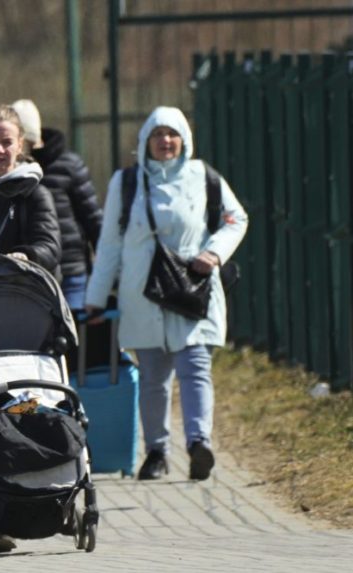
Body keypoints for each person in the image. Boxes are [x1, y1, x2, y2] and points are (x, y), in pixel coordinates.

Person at [85, 106, 248, 482]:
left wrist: (215, 252)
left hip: (193, 290)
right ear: (145, 141)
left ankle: (198, 444)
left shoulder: (205, 177)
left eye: (172, 134)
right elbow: (109, 243)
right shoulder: (126, 183)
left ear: (184, 139)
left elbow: (236, 218)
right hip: (143, 295)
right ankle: (157, 450)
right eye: (158, 134)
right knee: (154, 376)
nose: (165, 141)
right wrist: (96, 297)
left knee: (195, 368)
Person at [14, 99, 103, 309]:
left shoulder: (68, 165)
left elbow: (93, 219)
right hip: (30, 273)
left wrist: (105, 280)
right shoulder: (9, 170)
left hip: (71, 271)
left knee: (69, 336)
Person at [0, 104, 61, 275]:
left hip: (20, 292)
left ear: (20, 145)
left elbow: (50, 247)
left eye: (7, 142)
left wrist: (26, 255)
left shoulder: (34, 192)